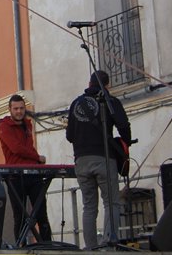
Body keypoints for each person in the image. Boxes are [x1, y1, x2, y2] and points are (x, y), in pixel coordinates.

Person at [66, 70, 132, 249]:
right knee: (111, 202)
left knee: (89, 207)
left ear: (89, 84)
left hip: (81, 161)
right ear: (107, 85)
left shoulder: (76, 103)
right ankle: (108, 245)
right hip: (104, 158)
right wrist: (126, 143)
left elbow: (69, 135)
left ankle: (91, 248)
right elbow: (124, 126)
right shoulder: (109, 101)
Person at [0, 94, 52, 244]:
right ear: (9, 109)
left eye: (22, 108)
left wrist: (35, 159)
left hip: (33, 173)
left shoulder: (27, 125)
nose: (19, 111)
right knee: (20, 216)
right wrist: (37, 158)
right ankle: (21, 248)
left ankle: (47, 247)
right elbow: (16, 148)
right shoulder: (4, 127)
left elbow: (26, 148)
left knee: (42, 214)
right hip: (16, 176)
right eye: (16, 108)